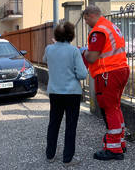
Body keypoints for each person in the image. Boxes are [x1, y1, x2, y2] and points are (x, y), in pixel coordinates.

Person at [81, 5, 130, 161]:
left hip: (107, 73)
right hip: (120, 70)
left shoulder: (98, 30)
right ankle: (120, 142)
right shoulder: (111, 27)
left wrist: (83, 52)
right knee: (115, 108)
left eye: (85, 18)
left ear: (90, 15)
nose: (85, 21)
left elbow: (92, 57)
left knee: (109, 109)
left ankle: (114, 149)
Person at [43, 22, 88, 165]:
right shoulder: (74, 51)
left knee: (54, 123)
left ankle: (50, 155)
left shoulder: (49, 49)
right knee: (70, 125)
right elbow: (82, 74)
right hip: (72, 93)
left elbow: (45, 60)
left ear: (56, 35)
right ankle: (67, 158)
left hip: (54, 92)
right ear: (71, 35)